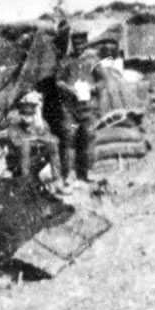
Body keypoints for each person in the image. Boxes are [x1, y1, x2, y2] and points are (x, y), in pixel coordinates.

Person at [51, 23, 96, 191]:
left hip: (87, 108)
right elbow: (58, 81)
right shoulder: (66, 61)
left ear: (86, 42)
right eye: (76, 43)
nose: (79, 46)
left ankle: (88, 172)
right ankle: (69, 173)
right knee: (70, 138)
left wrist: (92, 88)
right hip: (69, 109)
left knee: (88, 138)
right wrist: (70, 89)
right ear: (72, 43)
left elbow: (102, 80)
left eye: (82, 43)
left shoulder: (93, 60)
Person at [0, 92, 60, 192]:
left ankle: (57, 180)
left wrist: (38, 136)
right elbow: (18, 143)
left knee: (52, 144)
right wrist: (36, 139)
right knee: (25, 145)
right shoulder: (13, 128)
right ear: (20, 115)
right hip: (16, 163)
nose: (27, 118)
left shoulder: (37, 127)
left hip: (34, 160)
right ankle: (25, 179)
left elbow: (54, 139)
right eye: (25, 115)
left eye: (30, 116)